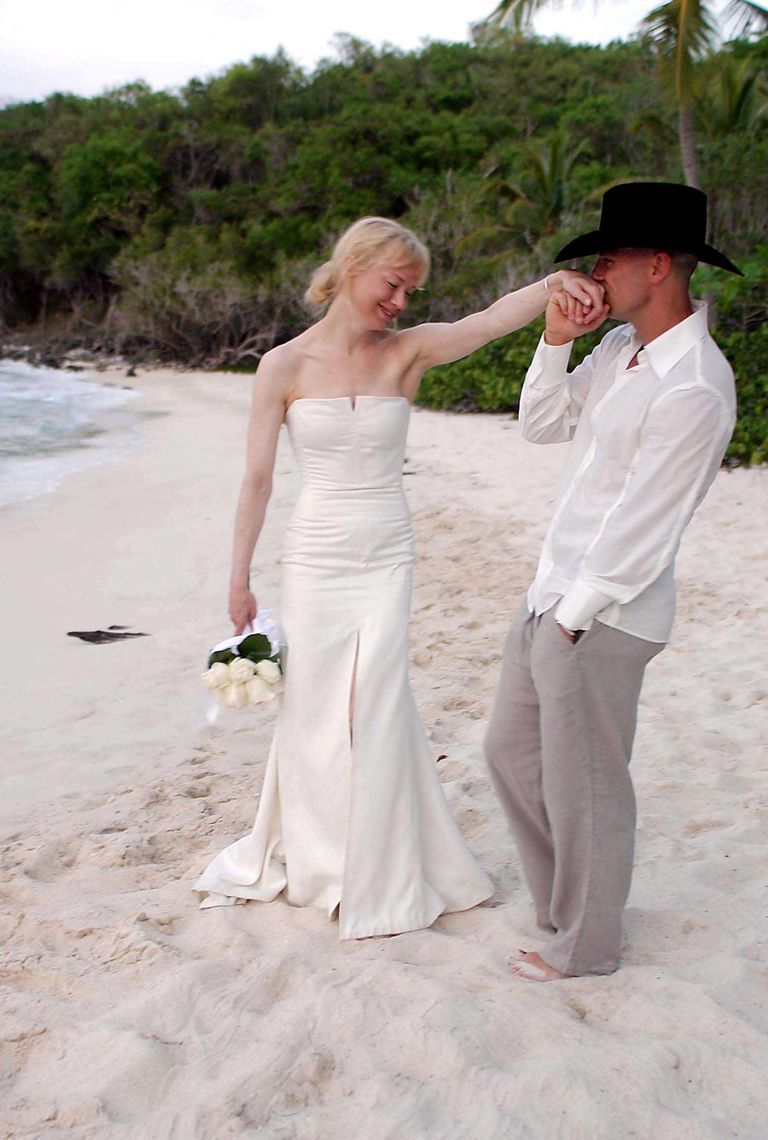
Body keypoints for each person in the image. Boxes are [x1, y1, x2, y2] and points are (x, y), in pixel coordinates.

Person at [194, 216, 602, 940]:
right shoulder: (282, 367)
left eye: (412, 291)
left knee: (377, 703)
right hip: (315, 555)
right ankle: (320, 862)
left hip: (386, 553)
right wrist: (238, 580)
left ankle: (378, 866)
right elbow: (256, 480)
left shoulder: (407, 354)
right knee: (316, 710)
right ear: (353, 267)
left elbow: (484, 323)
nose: (401, 303)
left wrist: (551, 287)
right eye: (394, 284)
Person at [484, 182, 741, 979]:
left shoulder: (695, 381)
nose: (596, 272)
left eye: (610, 257)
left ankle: (587, 944)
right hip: (551, 592)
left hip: (602, 614)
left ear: (659, 265)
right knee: (509, 757)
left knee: (587, 785)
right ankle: (564, 909)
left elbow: (646, 524)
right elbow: (541, 424)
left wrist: (573, 619)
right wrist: (557, 338)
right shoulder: (619, 350)